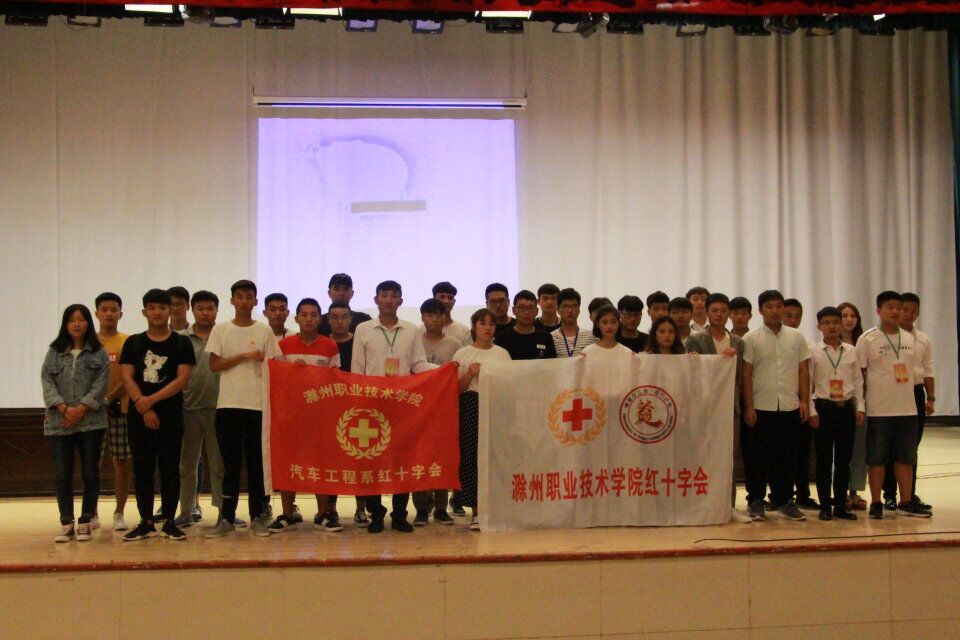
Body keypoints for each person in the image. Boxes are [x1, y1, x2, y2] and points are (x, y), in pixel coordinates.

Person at [353, 280, 436, 533]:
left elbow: (418, 364)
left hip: (402, 403)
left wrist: (443, 369)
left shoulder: (411, 330)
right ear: (376, 299)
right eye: (384, 295)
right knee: (372, 459)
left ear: (401, 301)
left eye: (394, 296)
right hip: (372, 404)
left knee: (403, 459)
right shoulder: (363, 329)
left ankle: (400, 513)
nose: (389, 300)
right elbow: (357, 369)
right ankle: (376, 513)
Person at [205, 280, 280, 538]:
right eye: (240, 296)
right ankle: (226, 517)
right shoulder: (222, 329)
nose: (245, 301)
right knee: (231, 464)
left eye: (249, 297)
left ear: (256, 301)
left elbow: (275, 366)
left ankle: (258, 516)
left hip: (257, 406)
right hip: (228, 406)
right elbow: (214, 365)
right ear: (232, 300)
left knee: (257, 465)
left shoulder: (264, 331)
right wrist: (244, 356)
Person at [119, 289, 195, 541]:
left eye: (162, 307)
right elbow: (127, 376)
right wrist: (143, 405)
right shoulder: (134, 342)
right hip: (139, 415)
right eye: (152, 308)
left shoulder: (181, 343)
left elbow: (182, 379)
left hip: (170, 415)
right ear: (144, 312)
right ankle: (146, 521)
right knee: (142, 469)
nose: (157, 312)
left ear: (170, 311)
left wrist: (150, 401)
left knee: (170, 468)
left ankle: (169, 521)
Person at [268, 298, 343, 534]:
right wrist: (291, 371)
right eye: (304, 314)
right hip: (290, 415)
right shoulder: (283, 345)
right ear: (296, 318)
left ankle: (322, 514)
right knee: (288, 462)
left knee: (321, 462)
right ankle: (287, 513)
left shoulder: (330, 346)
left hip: (320, 416)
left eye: (313, 315)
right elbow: (276, 379)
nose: (309, 319)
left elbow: (337, 380)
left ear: (320, 319)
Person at [856, 291, 931, 518]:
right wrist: (860, 405)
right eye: (890, 307)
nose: (896, 311)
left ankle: (906, 501)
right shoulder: (867, 339)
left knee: (906, 457)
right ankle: (876, 502)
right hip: (879, 410)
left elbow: (920, 371)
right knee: (877, 458)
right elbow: (859, 375)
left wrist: (930, 397)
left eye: (899, 307)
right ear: (879, 311)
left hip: (908, 409)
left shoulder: (910, 339)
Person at [42, 304, 110, 543]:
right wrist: (64, 408)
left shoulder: (98, 352)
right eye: (72, 320)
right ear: (65, 324)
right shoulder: (54, 351)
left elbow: (101, 384)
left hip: (91, 421)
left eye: (81, 319)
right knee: (63, 474)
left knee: (90, 472)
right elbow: (47, 381)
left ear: (88, 322)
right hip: (59, 422)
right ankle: (66, 522)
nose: (77, 324)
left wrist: (80, 409)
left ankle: (85, 520)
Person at [741, 290, 811, 522]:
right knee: (757, 457)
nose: (775, 310)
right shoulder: (751, 338)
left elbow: (803, 369)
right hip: (761, 406)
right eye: (769, 306)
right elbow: (747, 374)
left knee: (787, 456)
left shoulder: (796, 337)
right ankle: (756, 500)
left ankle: (784, 500)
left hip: (789, 405)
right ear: (760, 311)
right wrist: (749, 406)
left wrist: (804, 400)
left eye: (779, 306)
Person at [685, 293, 748, 523]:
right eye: (715, 311)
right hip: (704, 408)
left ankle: (728, 506)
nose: (719, 315)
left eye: (723, 311)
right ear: (706, 312)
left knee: (728, 459)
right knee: (703, 457)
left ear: (728, 313)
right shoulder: (696, 340)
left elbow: (740, 378)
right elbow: (691, 372)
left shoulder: (738, 342)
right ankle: (700, 505)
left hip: (730, 408)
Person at [172, 291, 231, 530]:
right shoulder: (181, 339)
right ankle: (186, 510)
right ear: (192, 310)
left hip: (220, 407)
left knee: (219, 464)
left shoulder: (224, 335)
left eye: (210, 308)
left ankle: (223, 513)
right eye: (200, 309)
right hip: (188, 407)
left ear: (217, 310)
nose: (205, 313)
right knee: (187, 463)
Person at [454, 309, 511, 531]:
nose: (488, 328)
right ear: (474, 326)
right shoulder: (462, 354)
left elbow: (509, 384)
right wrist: (470, 374)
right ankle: (476, 511)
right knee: (472, 457)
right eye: (483, 323)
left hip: (495, 405)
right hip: (471, 405)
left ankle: (496, 510)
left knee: (495, 456)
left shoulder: (502, 354)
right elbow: (456, 389)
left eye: (491, 324)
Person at [808, 306, 864, 521]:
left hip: (846, 409)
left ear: (841, 325)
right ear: (819, 326)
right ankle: (825, 505)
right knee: (824, 460)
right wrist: (811, 410)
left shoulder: (850, 350)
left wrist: (860, 407)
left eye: (835, 322)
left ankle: (840, 505)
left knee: (844, 460)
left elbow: (858, 380)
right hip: (823, 408)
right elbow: (808, 382)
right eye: (827, 323)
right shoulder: (813, 351)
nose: (832, 326)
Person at [883, 292, 934, 510]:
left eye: (914, 311)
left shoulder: (922, 339)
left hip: (915, 392)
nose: (909, 314)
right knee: (889, 446)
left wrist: (931, 397)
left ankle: (909, 494)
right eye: (905, 310)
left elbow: (928, 369)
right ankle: (889, 494)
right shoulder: (886, 337)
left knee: (911, 446)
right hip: (892, 393)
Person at [411, 298, 460, 526]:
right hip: (417, 407)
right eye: (429, 315)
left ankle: (441, 507)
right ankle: (421, 509)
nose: (434, 319)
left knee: (442, 456)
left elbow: (457, 374)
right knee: (418, 457)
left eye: (439, 315)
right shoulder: (415, 339)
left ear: (445, 317)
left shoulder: (454, 344)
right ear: (422, 317)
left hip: (443, 407)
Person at [326, 301, 368, 527]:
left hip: (357, 406)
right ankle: (330, 508)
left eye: (344, 317)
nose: (340, 321)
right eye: (335, 317)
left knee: (359, 458)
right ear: (328, 320)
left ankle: (361, 508)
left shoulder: (359, 342)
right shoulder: (323, 344)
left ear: (351, 319)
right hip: (329, 408)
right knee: (332, 459)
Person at [94, 292, 132, 531]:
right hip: (92, 413)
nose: (109, 314)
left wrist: (109, 399)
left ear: (121, 313)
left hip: (121, 410)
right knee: (91, 464)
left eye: (113, 310)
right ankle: (91, 512)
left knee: (122, 462)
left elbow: (129, 376)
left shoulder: (127, 342)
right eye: (104, 310)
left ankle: (119, 512)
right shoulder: (88, 342)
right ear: (96, 313)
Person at [780, 298, 818, 511]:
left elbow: (811, 377)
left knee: (803, 453)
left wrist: (807, 403)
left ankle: (803, 494)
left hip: (802, 403)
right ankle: (779, 496)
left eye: (797, 317)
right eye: (789, 316)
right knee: (781, 453)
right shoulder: (770, 341)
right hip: (779, 404)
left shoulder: (807, 344)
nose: (793, 320)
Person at [837, 301, 866, 510]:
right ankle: (840, 492)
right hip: (837, 401)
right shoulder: (830, 343)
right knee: (840, 450)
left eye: (852, 316)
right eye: (844, 315)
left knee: (859, 448)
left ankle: (854, 490)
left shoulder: (863, 342)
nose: (849, 320)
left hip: (861, 400)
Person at [494, 290, 557, 360]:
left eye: (531, 308)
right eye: (521, 307)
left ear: (537, 311)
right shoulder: (502, 338)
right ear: (513, 310)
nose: (526, 312)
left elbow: (552, 364)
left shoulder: (546, 337)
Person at [551, 288, 596, 357]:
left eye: (574, 306)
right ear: (558, 310)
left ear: (579, 310)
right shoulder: (551, 338)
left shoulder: (591, 337)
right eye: (565, 306)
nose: (570, 310)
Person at [430, 281, 471, 346]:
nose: (446, 301)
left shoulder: (464, 331)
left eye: (450, 298)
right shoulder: (422, 330)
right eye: (442, 297)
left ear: (454, 302)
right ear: (434, 300)